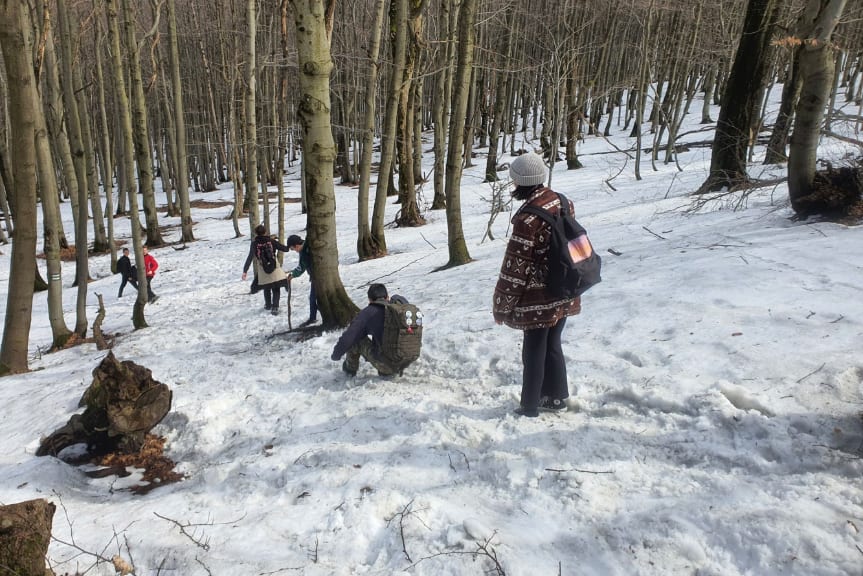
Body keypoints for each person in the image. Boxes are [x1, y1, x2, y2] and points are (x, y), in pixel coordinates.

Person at [492, 152, 581, 417]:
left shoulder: (527, 219)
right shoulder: (563, 202)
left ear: (522, 183)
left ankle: (529, 405)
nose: (514, 186)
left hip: (538, 297)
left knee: (533, 350)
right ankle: (556, 398)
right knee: (553, 344)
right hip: (565, 288)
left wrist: (501, 307)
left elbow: (514, 270)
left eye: (515, 182)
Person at [331, 283, 405, 377]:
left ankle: (350, 370)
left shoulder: (368, 313)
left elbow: (348, 338)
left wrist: (336, 355)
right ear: (387, 297)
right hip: (404, 361)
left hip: (387, 365)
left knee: (356, 341)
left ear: (369, 299)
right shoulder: (399, 309)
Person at [242, 225, 290, 315]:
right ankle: (275, 307)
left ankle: (268, 305)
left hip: (263, 268)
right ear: (265, 232)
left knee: (266, 286)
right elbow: (284, 249)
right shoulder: (271, 241)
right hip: (274, 267)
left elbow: (250, 258)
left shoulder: (254, 244)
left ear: (256, 233)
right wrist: (290, 245)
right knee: (276, 287)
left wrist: (245, 271)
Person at [286, 234, 318, 326]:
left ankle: (313, 318)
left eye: (292, 249)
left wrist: (293, 275)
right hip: (315, 277)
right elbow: (301, 266)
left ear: (296, 245)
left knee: (313, 298)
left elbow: (302, 266)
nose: (294, 251)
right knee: (314, 298)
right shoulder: (305, 247)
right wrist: (293, 274)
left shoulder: (305, 251)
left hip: (317, 278)